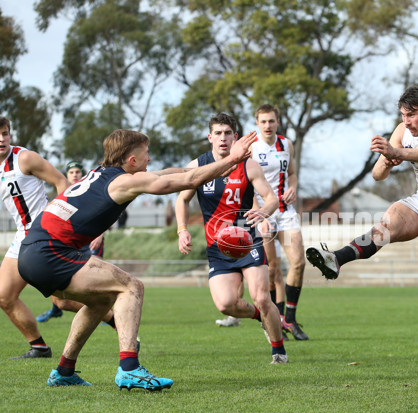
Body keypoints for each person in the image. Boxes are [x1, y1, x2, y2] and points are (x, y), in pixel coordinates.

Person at [18, 127, 257, 388]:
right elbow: (183, 183)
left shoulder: (102, 173)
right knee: (132, 286)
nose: (150, 159)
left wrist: (223, 165)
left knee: (102, 300)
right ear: (132, 161)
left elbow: (176, 174)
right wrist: (232, 159)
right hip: (50, 253)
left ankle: (64, 371)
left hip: (32, 251)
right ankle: (129, 368)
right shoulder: (123, 182)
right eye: (146, 154)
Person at [308, 86, 418, 381]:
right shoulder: (402, 131)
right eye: (403, 115)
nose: (406, 121)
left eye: (412, 115)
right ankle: (336, 259)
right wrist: (387, 161)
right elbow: (378, 175)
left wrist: (399, 152)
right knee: (387, 224)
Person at [176, 112, 288, 364]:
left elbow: (271, 198)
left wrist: (263, 211)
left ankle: (278, 350)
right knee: (226, 304)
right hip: (218, 247)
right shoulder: (198, 167)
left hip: (248, 241)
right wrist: (182, 229)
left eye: (228, 133)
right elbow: (181, 199)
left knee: (261, 295)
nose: (223, 138)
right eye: (218, 133)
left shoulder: (248, 164)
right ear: (209, 137)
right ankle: (260, 317)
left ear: (236, 137)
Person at [0, 116, 68, 359]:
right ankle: (39, 347)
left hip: (43, 235)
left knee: (63, 302)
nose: (1, 139)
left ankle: (118, 319)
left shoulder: (24, 158)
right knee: (4, 295)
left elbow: (62, 182)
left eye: (5, 133)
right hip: (22, 237)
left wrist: (63, 221)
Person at [251, 104, 308, 340]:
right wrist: (258, 214)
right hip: (263, 213)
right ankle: (275, 320)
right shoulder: (251, 147)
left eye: (271, 121)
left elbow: (292, 173)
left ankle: (291, 319)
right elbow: (246, 184)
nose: (267, 125)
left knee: (299, 262)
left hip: (285, 211)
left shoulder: (286, 144)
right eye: (263, 121)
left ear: (278, 121)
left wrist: (292, 187)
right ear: (257, 123)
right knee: (272, 270)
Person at [36, 160, 111, 324]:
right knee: (58, 274)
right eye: (71, 172)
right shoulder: (63, 194)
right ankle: (58, 308)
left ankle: (104, 310)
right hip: (71, 241)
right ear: (66, 176)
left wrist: (100, 234)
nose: (75, 175)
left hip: (91, 239)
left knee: (94, 275)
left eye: (78, 172)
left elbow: (107, 212)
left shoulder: (89, 191)